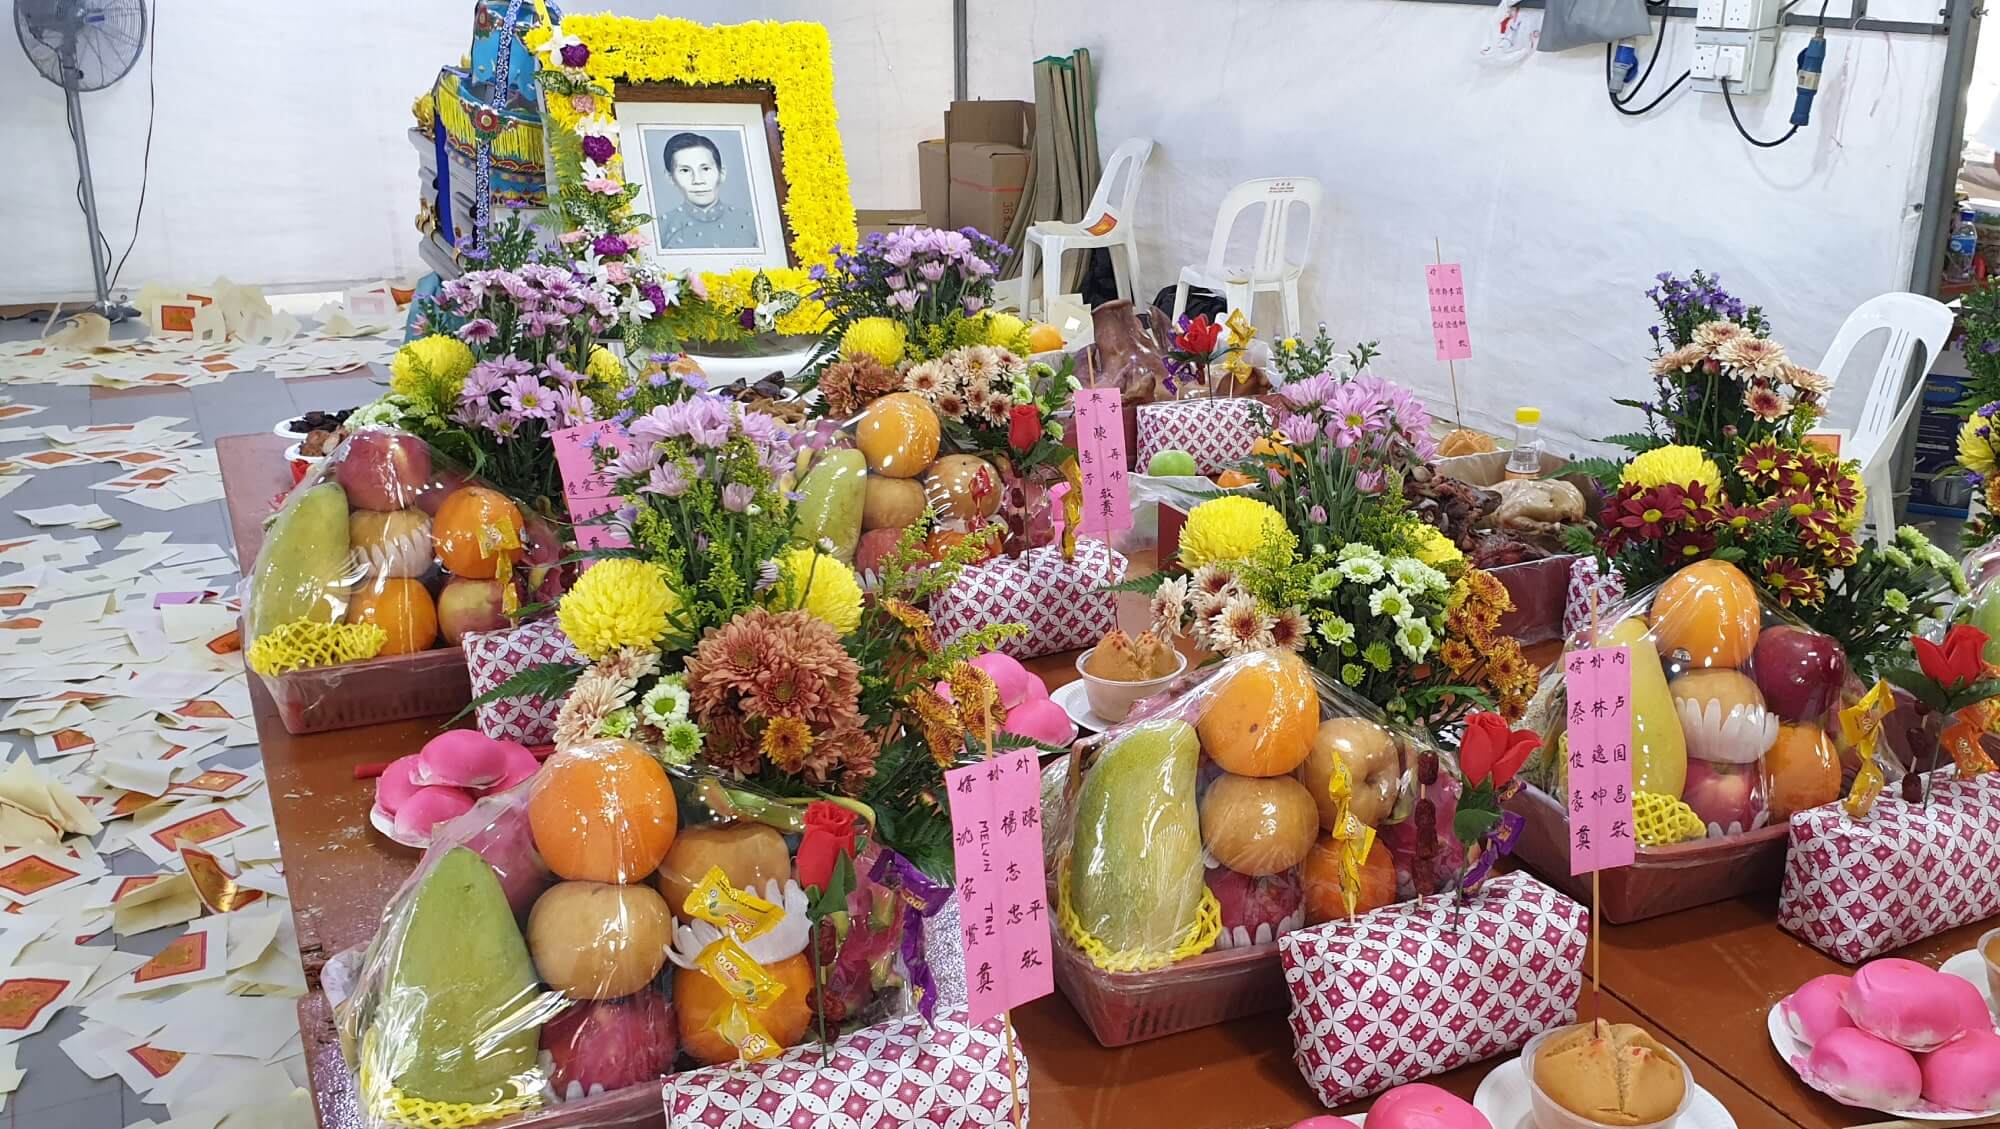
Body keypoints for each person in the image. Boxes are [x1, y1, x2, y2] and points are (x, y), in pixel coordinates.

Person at [653, 132, 758, 250]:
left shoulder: (753, 224)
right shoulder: (658, 231)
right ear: (670, 178)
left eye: (706, 169)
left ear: (722, 173)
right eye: (685, 170)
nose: (698, 180)